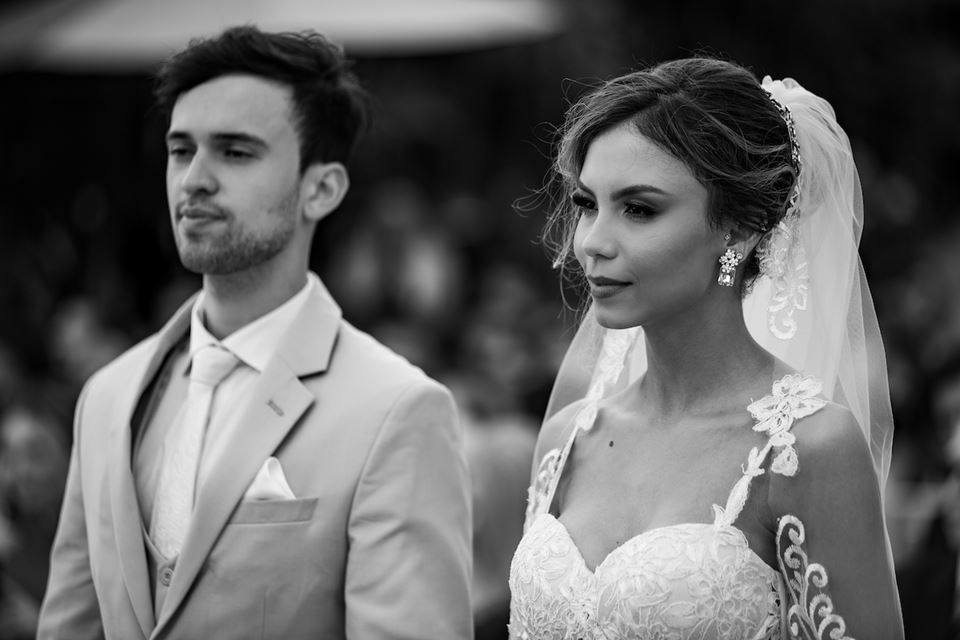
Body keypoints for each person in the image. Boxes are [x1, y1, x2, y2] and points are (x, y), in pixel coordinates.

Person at [37, 25, 472, 640]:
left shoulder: (397, 411)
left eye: (235, 152)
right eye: (181, 150)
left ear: (321, 189)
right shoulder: (106, 395)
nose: (194, 181)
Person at [508, 57, 904, 638]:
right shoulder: (566, 438)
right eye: (586, 204)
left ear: (738, 230)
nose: (592, 242)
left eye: (639, 209)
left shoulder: (808, 447)